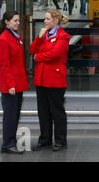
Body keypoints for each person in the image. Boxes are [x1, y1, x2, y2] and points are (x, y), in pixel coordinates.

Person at [30, 9, 70, 151]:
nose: (45, 21)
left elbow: (54, 54)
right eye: (44, 19)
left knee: (57, 111)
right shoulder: (44, 34)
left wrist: (38, 57)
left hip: (55, 80)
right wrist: (39, 38)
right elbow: (32, 49)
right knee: (43, 111)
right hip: (41, 79)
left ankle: (60, 140)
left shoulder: (63, 36)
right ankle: (45, 140)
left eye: (47, 19)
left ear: (55, 20)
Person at [0, 10, 29, 154]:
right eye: (15, 20)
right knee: (10, 115)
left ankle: (10, 142)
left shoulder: (16, 37)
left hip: (18, 82)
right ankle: (7, 144)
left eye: (18, 20)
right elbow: (4, 65)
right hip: (11, 85)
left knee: (15, 114)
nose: (18, 23)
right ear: (7, 22)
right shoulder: (3, 40)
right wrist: (11, 84)